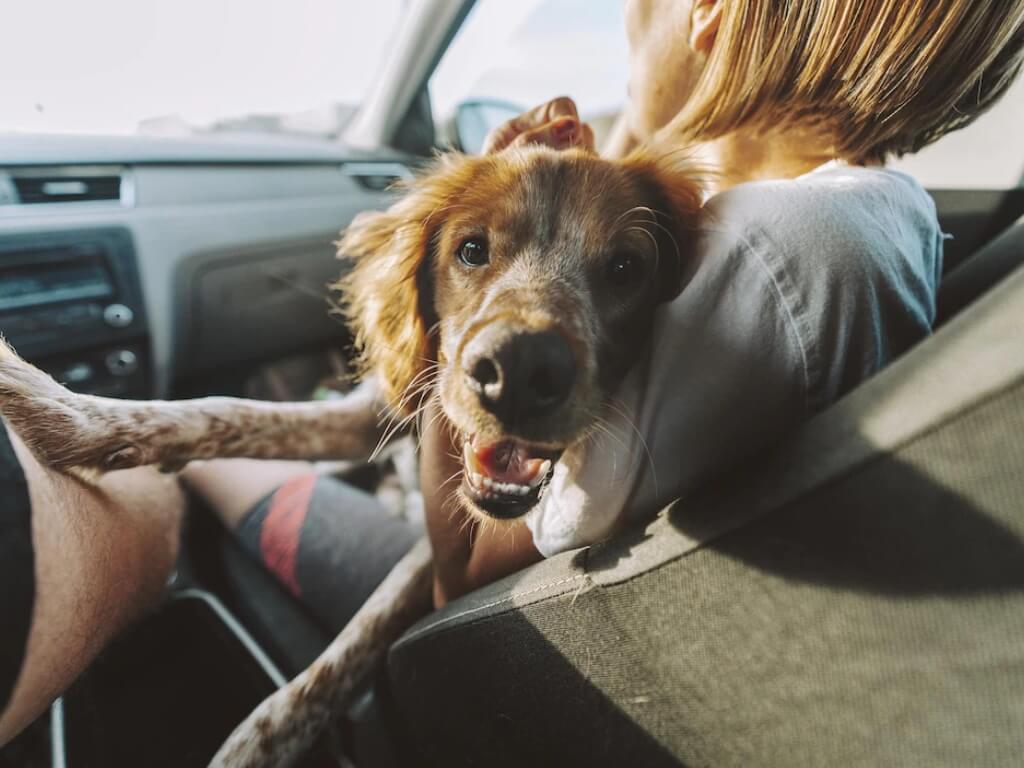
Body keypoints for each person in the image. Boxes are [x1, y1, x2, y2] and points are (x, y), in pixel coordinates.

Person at [2, 0, 1023, 747]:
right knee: (327, 422)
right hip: (613, 609)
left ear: (705, 13)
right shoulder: (879, 216)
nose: (633, 33)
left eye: (639, 17)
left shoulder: (759, 248)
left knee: (211, 473)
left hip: (504, 629)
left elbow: (464, 568)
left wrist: (460, 305)